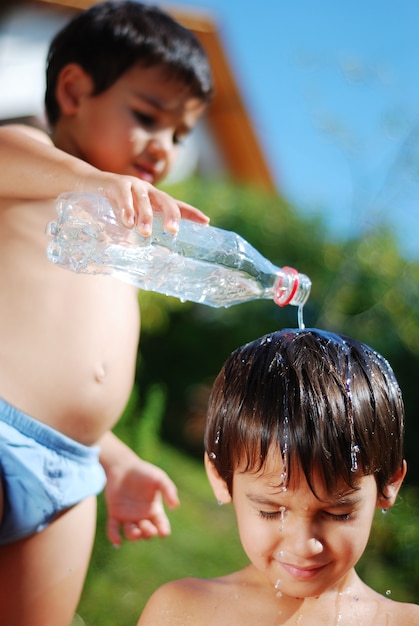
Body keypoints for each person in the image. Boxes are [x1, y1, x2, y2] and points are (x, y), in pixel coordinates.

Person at [0, 2, 213, 625]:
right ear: (72, 90)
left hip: (74, 468)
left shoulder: (121, 236)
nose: (163, 148)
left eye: (178, 134)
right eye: (147, 116)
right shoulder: (32, 157)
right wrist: (87, 181)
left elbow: (74, 370)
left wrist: (115, 461)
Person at [137, 328, 419, 625]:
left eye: (337, 513)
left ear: (389, 485)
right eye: (271, 511)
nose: (303, 545)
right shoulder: (182, 612)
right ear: (221, 479)